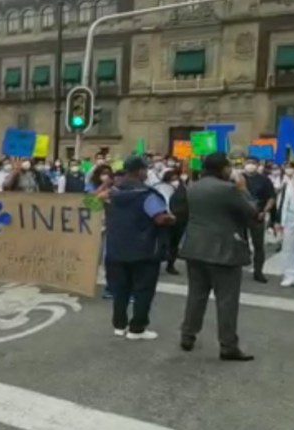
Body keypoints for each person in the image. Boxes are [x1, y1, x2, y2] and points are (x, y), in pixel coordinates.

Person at [179, 153, 258, 361]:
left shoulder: (192, 187)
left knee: (196, 295)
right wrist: (244, 189)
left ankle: (188, 334)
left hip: (195, 247)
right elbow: (252, 212)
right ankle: (228, 345)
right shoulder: (228, 189)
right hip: (224, 250)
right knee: (227, 301)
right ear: (223, 168)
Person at [103, 156, 174, 340]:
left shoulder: (111, 194)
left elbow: (89, 205)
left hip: (115, 250)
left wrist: (104, 186)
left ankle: (119, 326)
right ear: (140, 171)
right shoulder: (147, 195)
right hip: (144, 251)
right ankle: (137, 329)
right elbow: (160, 219)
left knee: (120, 291)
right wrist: (172, 218)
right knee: (143, 291)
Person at [242, 158, 276, 283]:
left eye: (253, 163)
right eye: (248, 163)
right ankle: (236, 269)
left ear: (257, 165)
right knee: (238, 243)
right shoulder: (238, 178)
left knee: (258, 245)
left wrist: (265, 211)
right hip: (240, 214)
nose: (250, 165)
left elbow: (271, 197)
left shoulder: (264, 180)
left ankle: (258, 272)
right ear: (244, 164)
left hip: (258, 215)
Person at [164, 169, 189, 275]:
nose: (175, 181)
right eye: (172, 179)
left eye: (176, 178)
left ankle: (170, 264)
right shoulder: (163, 188)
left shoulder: (183, 189)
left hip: (179, 220)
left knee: (174, 244)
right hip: (165, 219)